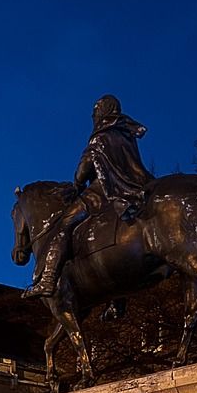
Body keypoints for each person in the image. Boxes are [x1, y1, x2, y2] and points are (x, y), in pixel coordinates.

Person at [24, 95, 153, 298]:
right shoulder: (126, 134)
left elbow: (86, 166)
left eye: (95, 112)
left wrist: (77, 183)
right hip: (133, 187)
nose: (93, 116)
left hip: (103, 190)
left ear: (102, 111)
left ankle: (48, 279)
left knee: (63, 225)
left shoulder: (100, 136)